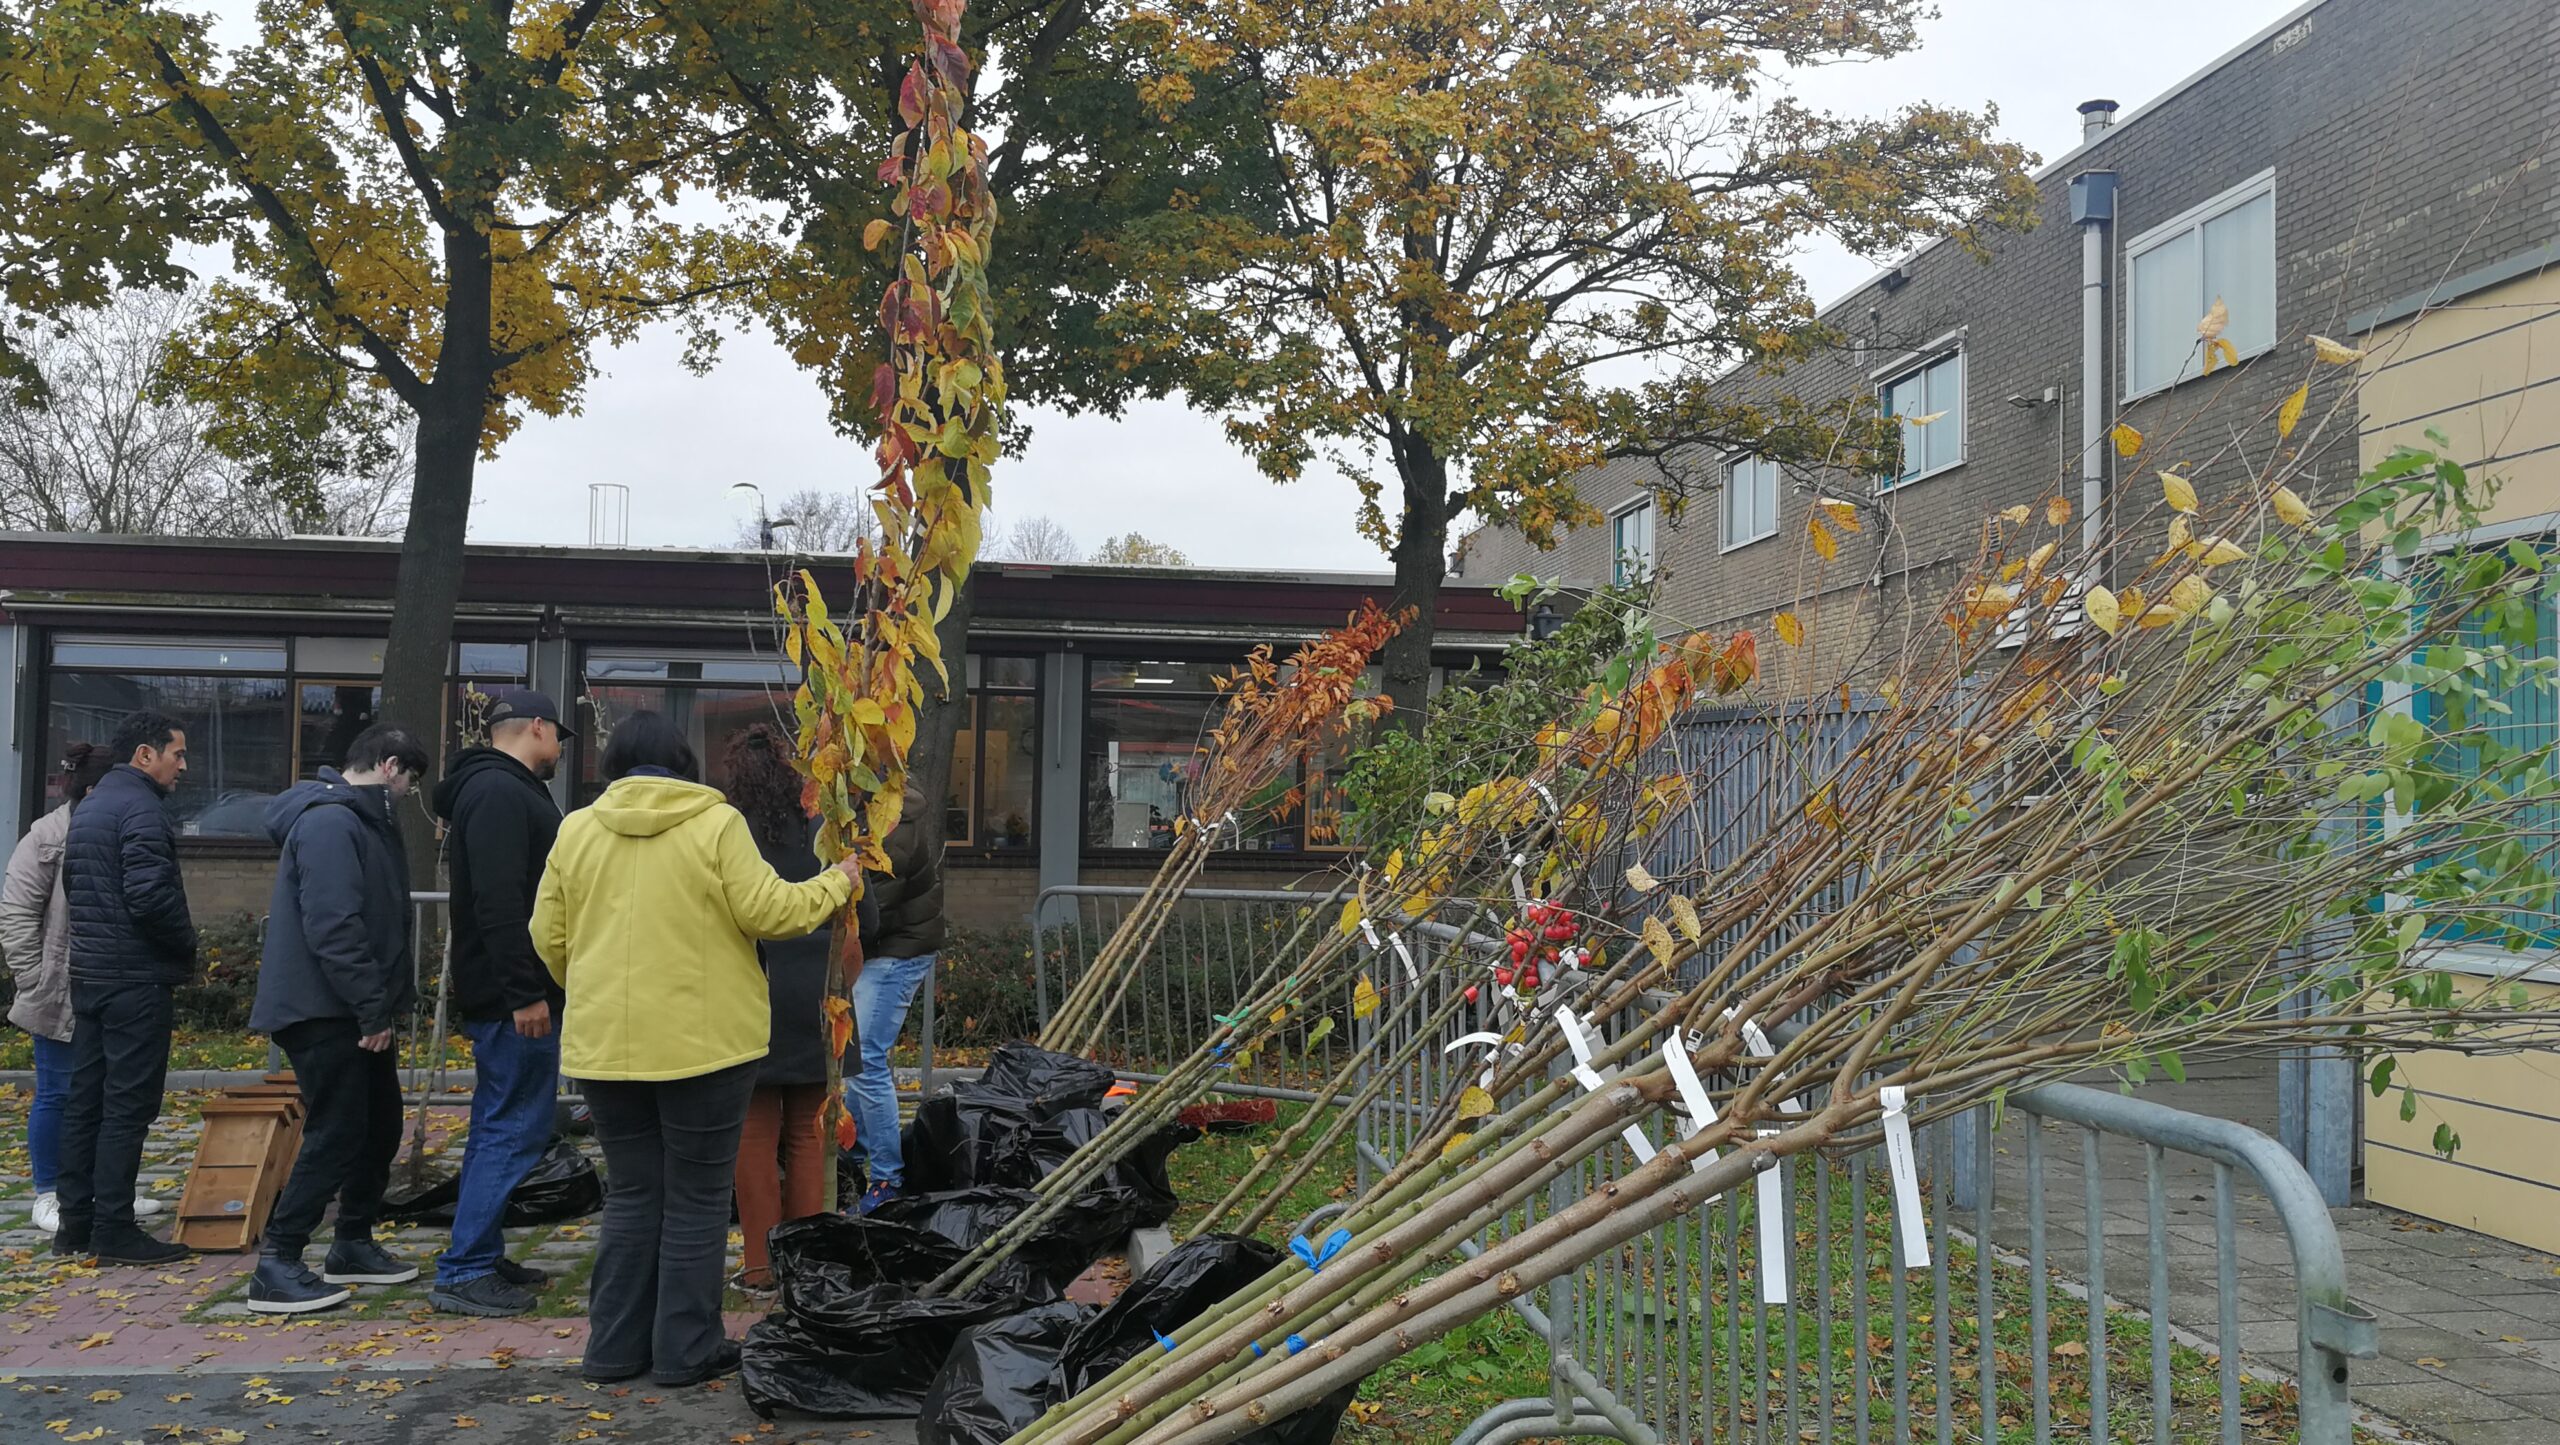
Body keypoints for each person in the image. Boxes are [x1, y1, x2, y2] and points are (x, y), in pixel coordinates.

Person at [532, 712, 857, 1387]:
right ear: (685, 763)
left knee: (631, 1193)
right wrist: (839, 881)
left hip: (604, 1047)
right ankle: (686, 1349)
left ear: (613, 765)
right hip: (708, 1046)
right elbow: (771, 912)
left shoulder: (576, 830)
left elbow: (548, 935)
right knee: (697, 1199)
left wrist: (590, 988)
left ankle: (613, 1349)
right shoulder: (715, 824)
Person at [244, 724, 431, 1314]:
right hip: (326, 1009)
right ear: (389, 765)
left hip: (344, 1004)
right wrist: (371, 1008)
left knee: (379, 1124)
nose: (409, 793)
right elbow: (334, 924)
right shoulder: (331, 822)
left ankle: (351, 1242)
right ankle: (278, 1261)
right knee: (338, 1130)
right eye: (410, 781)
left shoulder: (357, 820)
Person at [718, 725, 876, 1293]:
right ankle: (809, 1267)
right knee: (813, 1135)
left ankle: (761, 1267)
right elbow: (869, 921)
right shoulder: (826, 834)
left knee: (752, 1137)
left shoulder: (723, 836)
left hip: (748, 998)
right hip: (820, 999)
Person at [428, 688, 566, 1317]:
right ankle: (465, 1269)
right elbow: (501, 902)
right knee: (512, 1126)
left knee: (504, 1122)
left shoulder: (499, 790)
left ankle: (479, 1250)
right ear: (536, 726)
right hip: (515, 997)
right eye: (558, 734)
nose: (561, 747)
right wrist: (525, 992)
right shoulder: (498, 794)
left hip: (512, 991)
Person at [54, 709, 197, 1266]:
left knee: (85, 1100)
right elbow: (150, 896)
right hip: (134, 977)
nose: (182, 766)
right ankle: (114, 1228)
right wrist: (187, 946)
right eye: (176, 754)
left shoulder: (90, 807)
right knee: (127, 1107)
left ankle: (75, 1225)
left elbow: (77, 886)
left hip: (91, 975)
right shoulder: (141, 808)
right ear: (145, 754)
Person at [2, 744, 117, 1236]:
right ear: (92, 790)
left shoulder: (114, 830)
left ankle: (97, 1185)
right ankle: (49, 1192)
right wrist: (34, 978)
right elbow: (17, 912)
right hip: (56, 990)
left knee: (106, 1093)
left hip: (107, 987)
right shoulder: (45, 837)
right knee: (57, 1091)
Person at [846, 783, 945, 1215]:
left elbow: (867, 914)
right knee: (856, 1056)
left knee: (866, 1057)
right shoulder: (871, 819)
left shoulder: (890, 831)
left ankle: (887, 1178)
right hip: (884, 949)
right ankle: (852, 1157)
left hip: (897, 950)